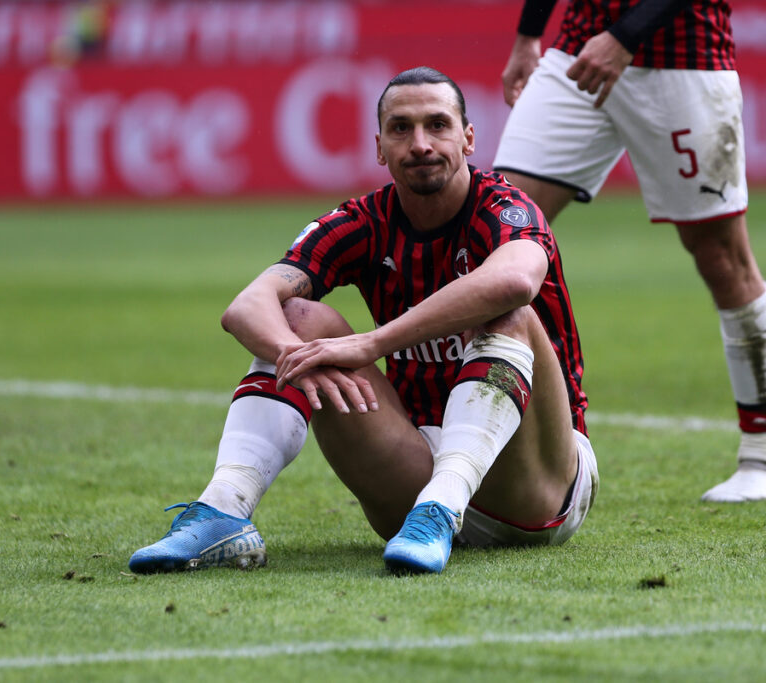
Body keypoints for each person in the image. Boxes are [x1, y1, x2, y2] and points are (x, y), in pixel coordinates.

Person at [128, 66, 598, 576]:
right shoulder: (363, 222)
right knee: (297, 317)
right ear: (379, 147)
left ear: (468, 140)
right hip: (413, 479)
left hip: (539, 488)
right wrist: (298, 355)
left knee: (507, 313)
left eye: (437, 125)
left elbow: (514, 282)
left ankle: (443, 505)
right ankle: (225, 508)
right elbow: (246, 306)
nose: (420, 143)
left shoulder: (505, 208)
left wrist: (368, 344)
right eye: (401, 128)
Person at [493, 0, 766, 502]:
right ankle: (470, 437)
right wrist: (528, 35)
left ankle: (761, 453)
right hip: (577, 50)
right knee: (499, 232)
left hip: (684, 57)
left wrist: (624, 36)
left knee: (722, 258)